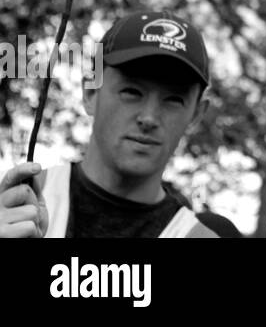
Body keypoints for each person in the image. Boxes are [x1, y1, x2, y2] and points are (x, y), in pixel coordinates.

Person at [0, 12, 236, 238]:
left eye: (174, 100)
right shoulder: (15, 205)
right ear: (91, 93)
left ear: (196, 114)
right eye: (131, 92)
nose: (149, 118)